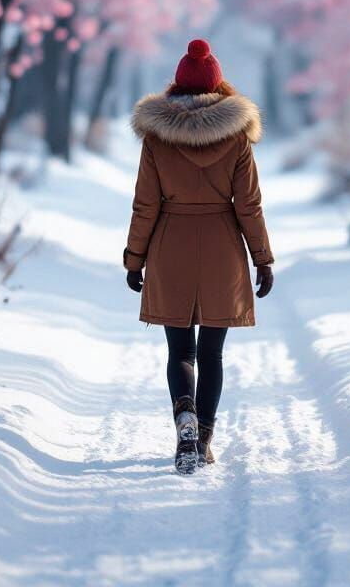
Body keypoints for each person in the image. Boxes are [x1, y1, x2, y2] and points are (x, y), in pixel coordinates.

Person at [124, 39, 274, 475]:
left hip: (169, 246)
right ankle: (203, 437)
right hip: (222, 249)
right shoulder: (237, 137)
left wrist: (135, 258)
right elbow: (249, 205)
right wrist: (262, 258)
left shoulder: (156, 139)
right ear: (219, 85)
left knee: (179, 351)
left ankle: (183, 417)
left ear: (177, 85)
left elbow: (144, 205)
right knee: (212, 353)